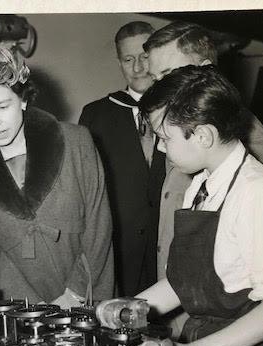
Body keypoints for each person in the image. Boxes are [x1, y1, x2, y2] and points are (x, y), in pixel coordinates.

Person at [103, 65, 263, 346]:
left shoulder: (262, 191)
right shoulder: (200, 185)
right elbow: (188, 283)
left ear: (204, 135)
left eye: (165, 137)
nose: (160, 147)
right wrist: (124, 311)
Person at [0, 46, 114, 308]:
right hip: (23, 310)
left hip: (90, 296)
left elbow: (98, 228)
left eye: (3, 106)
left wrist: (76, 294)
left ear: (23, 99)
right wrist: (32, 313)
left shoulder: (76, 142)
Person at [143, 21, 263, 283]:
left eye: (168, 74)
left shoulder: (245, 131)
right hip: (177, 289)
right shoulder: (172, 128)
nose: (159, 87)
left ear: (205, 69)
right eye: (155, 79)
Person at [79, 21, 166, 296]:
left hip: (168, 241)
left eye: (144, 57)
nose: (138, 67)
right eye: (129, 59)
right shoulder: (96, 115)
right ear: (119, 63)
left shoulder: (180, 109)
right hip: (121, 249)